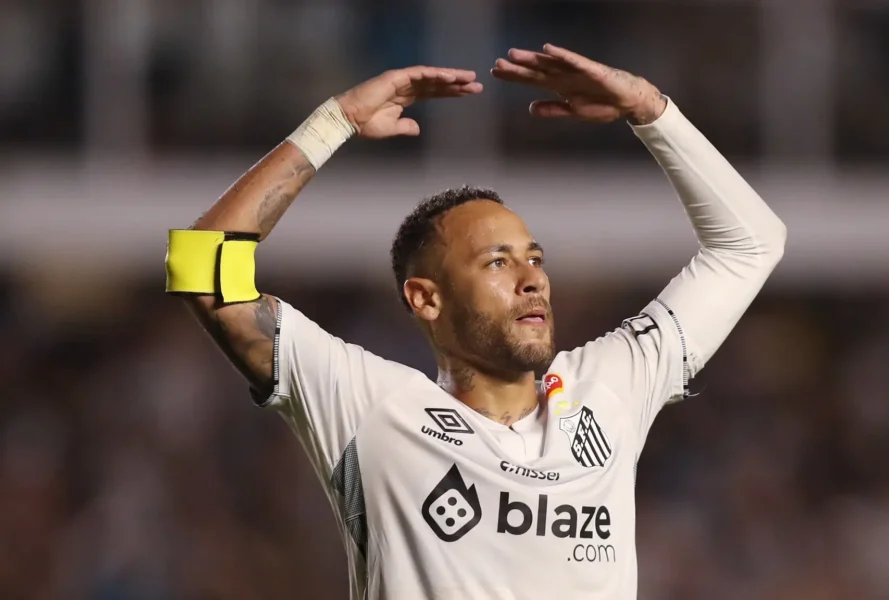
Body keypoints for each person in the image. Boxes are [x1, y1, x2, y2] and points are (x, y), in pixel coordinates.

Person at [167, 44, 786, 600]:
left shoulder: (610, 386)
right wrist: (338, 122)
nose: (532, 277)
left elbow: (752, 244)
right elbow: (200, 262)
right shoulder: (373, 409)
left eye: (535, 258)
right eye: (497, 261)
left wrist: (650, 111)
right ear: (425, 298)